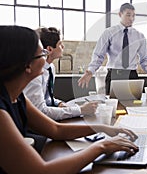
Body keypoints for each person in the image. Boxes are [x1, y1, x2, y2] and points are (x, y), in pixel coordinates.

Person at [0, 25, 138, 173]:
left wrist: (103, 128)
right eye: (42, 53)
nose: (46, 57)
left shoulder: (18, 96)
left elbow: (55, 129)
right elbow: (41, 171)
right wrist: (102, 147)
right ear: (27, 65)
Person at [78, 3, 147, 95]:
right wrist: (90, 71)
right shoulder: (109, 33)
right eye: (128, 15)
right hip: (114, 75)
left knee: (134, 105)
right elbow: (99, 55)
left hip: (132, 75)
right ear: (120, 14)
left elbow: (144, 58)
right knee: (113, 105)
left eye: (133, 15)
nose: (131, 18)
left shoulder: (139, 36)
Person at [23, 27, 97, 121]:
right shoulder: (35, 73)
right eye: (60, 44)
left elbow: (46, 99)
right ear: (49, 49)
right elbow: (40, 111)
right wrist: (80, 110)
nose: (63, 47)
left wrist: (58, 103)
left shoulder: (51, 68)